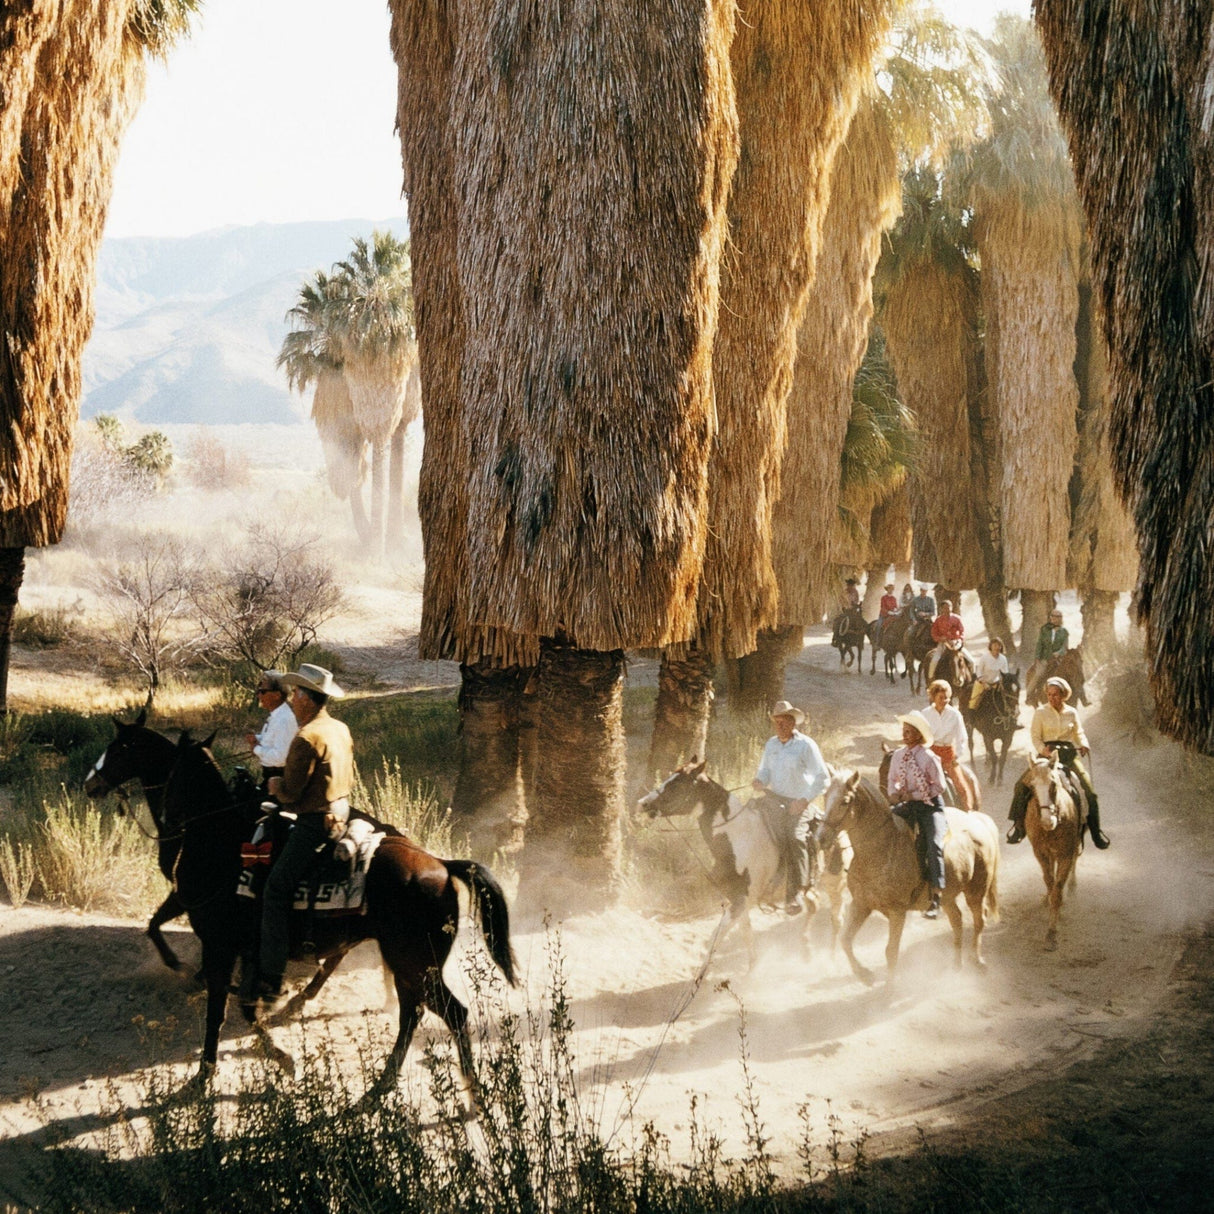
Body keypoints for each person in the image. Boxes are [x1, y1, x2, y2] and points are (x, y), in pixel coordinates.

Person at [256, 663, 354, 1009]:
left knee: (275, 888)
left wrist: (275, 786)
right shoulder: (339, 728)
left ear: (308, 700)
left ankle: (271, 978)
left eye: (296, 693)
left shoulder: (306, 737)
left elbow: (292, 792)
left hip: (314, 823)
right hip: (343, 813)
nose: (292, 698)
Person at [1006, 676, 1109, 850]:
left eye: (1055, 694)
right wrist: (1043, 750)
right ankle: (1019, 827)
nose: (1052, 697)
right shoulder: (1040, 712)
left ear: (1063, 695)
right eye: (1049, 694)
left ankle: (1095, 832)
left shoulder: (1071, 712)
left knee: (1089, 792)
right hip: (1046, 756)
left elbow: (1078, 732)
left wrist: (1084, 743)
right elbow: (1035, 737)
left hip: (1068, 755)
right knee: (1021, 786)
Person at [752, 700, 829, 915]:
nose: (780, 725)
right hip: (774, 800)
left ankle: (796, 891)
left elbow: (822, 778)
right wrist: (759, 780)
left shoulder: (806, 745)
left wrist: (804, 800)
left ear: (793, 722)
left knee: (795, 837)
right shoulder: (771, 745)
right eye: (776, 721)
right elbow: (765, 771)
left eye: (784, 721)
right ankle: (754, 884)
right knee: (753, 827)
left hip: (799, 803)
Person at [886, 709, 948, 919]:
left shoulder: (929, 757)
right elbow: (892, 780)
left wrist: (913, 795)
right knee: (885, 828)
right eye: (904, 731)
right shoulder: (898, 755)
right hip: (908, 806)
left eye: (909, 731)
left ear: (919, 734)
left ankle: (936, 896)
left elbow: (940, 786)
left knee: (933, 843)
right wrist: (893, 794)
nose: (904, 735)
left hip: (929, 806)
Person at [924, 680, 976, 812]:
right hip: (929, 753)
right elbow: (920, 736)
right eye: (941, 697)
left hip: (947, 753)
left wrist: (957, 756)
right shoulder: (925, 714)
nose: (944, 700)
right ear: (933, 697)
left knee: (960, 785)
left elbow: (962, 737)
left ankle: (968, 810)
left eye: (947, 697)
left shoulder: (955, 715)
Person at [244, 670, 298, 791]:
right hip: (270, 777)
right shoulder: (276, 715)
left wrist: (256, 749)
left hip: (279, 781)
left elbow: (280, 757)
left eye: (263, 692)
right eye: (258, 691)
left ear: (277, 695)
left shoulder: (284, 719)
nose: (259, 696)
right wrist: (257, 738)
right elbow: (273, 739)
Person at [926, 599, 967, 682]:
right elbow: (933, 633)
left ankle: (972, 679)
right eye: (944, 608)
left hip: (956, 643)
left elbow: (962, 631)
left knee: (971, 661)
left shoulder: (957, 618)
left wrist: (959, 639)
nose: (947, 609)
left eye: (948, 607)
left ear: (951, 607)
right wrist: (940, 638)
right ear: (941, 609)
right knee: (934, 661)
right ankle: (930, 679)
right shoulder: (938, 620)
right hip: (943, 644)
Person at [969, 637, 1009, 712]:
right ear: (991, 646)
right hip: (982, 683)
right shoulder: (984, 657)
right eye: (995, 645)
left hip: (996, 684)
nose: (997, 648)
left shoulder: (1003, 659)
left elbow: (1005, 673)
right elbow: (979, 671)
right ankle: (971, 715)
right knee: (974, 702)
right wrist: (984, 682)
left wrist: (1002, 682)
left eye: (999, 645)